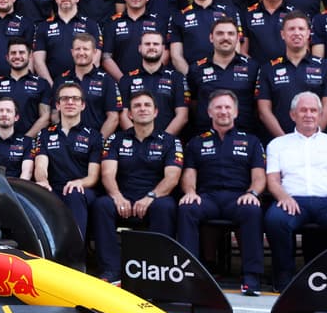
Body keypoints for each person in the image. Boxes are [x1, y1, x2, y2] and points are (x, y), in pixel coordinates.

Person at [264, 92, 327, 290]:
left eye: (313, 110)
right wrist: (283, 197)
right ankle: (283, 275)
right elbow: (273, 180)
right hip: (293, 201)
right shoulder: (278, 144)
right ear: (293, 115)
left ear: (320, 115)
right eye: (303, 110)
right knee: (274, 219)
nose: (308, 115)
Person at [177, 90, 268, 295]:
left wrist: (252, 193)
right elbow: (189, 174)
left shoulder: (251, 141)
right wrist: (190, 192)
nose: (223, 111)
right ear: (210, 112)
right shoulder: (196, 142)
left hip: (238, 198)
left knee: (252, 210)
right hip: (207, 197)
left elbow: (259, 177)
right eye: (218, 107)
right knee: (186, 208)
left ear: (236, 112)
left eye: (228, 107)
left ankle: (251, 278)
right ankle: (188, 276)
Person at [90, 90, 183, 283]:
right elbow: (107, 173)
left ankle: (157, 270)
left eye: (147, 105)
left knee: (165, 207)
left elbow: (172, 177)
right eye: (137, 106)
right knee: (102, 205)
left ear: (155, 112)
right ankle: (111, 270)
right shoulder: (115, 139)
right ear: (130, 114)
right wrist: (116, 196)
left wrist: (151, 196)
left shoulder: (170, 141)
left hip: (154, 198)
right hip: (122, 197)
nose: (142, 109)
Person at [33, 81, 103, 238]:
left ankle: (75, 257)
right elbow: (41, 166)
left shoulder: (94, 136)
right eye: (64, 99)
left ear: (82, 105)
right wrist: (43, 181)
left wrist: (79, 183)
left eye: (75, 99)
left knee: (74, 193)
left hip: (83, 191)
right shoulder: (45, 134)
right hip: (54, 188)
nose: (70, 102)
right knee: (40, 193)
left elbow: (93, 177)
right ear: (57, 105)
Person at [256, 12, 327, 139]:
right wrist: (286, 141)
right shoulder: (268, 69)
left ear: (308, 34)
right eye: (291, 29)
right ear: (283, 34)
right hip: (280, 142)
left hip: (317, 142)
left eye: (301, 29)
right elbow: (264, 112)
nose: (296, 33)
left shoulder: (326, 67)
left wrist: (312, 137)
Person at [187, 17, 262, 135]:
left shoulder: (253, 68)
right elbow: (193, 105)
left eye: (231, 34)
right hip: (205, 139)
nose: (225, 38)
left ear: (238, 38)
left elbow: (259, 106)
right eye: (220, 33)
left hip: (245, 139)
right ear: (211, 38)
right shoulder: (196, 69)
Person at [170, 0, 240, 75]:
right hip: (194, 80)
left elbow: (236, 47)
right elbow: (176, 55)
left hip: (226, 77)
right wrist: (192, 77)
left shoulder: (229, 12)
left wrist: (227, 73)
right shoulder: (179, 16)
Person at [118, 31, 188, 136]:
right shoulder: (126, 79)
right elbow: (123, 115)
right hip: (135, 144)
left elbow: (182, 115)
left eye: (155, 44)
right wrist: (138, 139)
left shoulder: (176, 78)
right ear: (140, 48)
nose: (151, 47)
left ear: (163, 48)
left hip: (167, 144)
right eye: (147, 44)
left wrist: (163, 140)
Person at [52, 33, 121, 138]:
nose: (81, 52)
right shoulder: (61, 80)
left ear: (94, 52)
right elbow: (55, 115)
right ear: (72, 52)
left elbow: (113, 118)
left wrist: (97, 142)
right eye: (77, 49)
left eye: (85, 49)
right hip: (66, 142)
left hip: (96, 143)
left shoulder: (107, 80)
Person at [32, 0, 100, 83]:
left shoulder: (91, 25)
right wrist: (51, 85)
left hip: (83, 86)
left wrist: (83, 83)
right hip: (53, 86)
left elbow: (96, 57)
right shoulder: (43, 26)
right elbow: (38, 61)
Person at [101, 0, 168, 80]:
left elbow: (166, 52)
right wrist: (124, 81)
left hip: (153, 82)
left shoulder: (160, 22)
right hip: (121, 83)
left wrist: (151, 76)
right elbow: (106, 57)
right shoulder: (112, 23)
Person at [0, 39, 51, 139]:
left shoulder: (42, 84)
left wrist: (25, 140)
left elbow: (45, 117)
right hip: (0, 143)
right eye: (13, 53)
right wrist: (4, 137)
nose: (17, 56)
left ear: (30, 56)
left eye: (21, 52)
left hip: (31, 144)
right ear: (7, 57)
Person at [242, 0, 293, 66]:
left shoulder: (295, 15)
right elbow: (243, 52)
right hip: (257, 76)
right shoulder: (247, 15)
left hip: (290, 75)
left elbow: (305, 50)